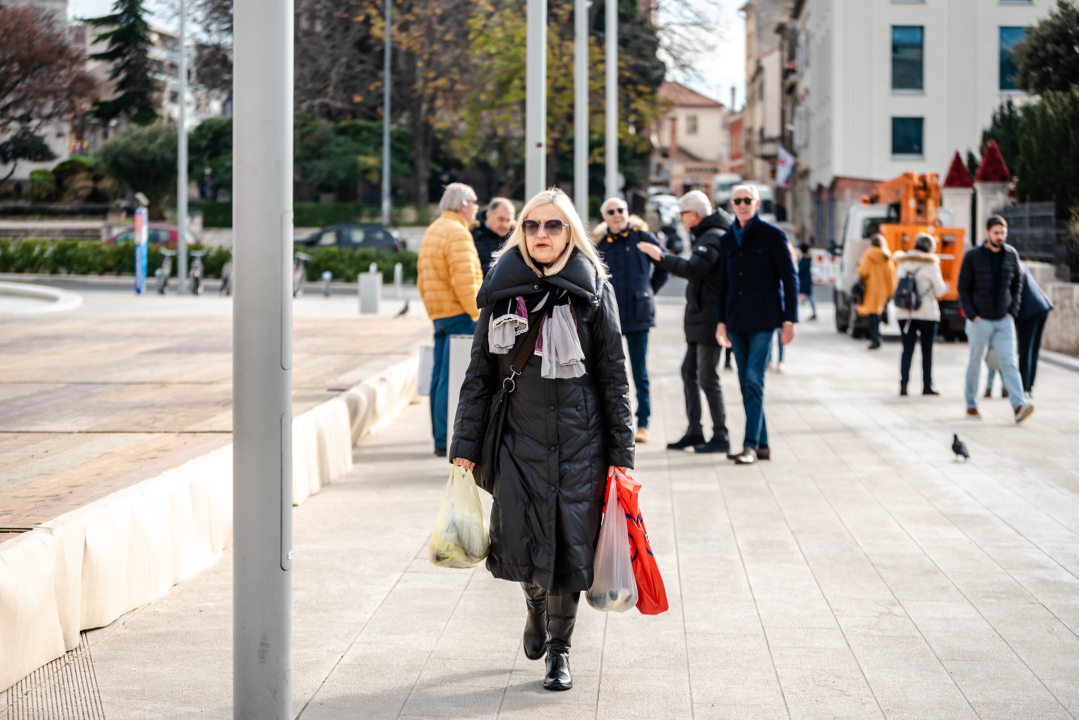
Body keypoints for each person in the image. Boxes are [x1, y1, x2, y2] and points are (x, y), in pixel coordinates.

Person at [450, 187, 634, 693]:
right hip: (517, 440)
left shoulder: (595, 290)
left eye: (553, 226)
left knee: (570, 548)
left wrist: (621, 455)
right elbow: (480, 377)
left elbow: (614, 377)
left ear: (570, 232)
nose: (541, 235)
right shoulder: (500, 290)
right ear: (520, 233)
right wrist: (464, 449)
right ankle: (534, 607)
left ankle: (560, 649)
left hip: (581, 445)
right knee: (524, 541)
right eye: (531, 225)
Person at [636, 190, 732, 454]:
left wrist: (661, 256)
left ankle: (720, 435)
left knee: (706, 376)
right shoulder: (706, 234)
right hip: (700, 319)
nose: (679, 218)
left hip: (710, 319)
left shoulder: (712, 237)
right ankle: (695, 431)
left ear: (695, 214)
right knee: (689, 373)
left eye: (682, 213)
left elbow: (692, 270)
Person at [715, 184, 798, 465]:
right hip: (736, 321)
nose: (742, 204)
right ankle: (763, 445)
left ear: (757, 203)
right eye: (737, 200)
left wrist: (789, 320)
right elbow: (723, 285)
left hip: (764, 320)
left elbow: (790, 278)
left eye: (747, 200)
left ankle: (749, 445)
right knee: (745, 384)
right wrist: (721, 322)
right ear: (732, 205)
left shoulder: (773, 235)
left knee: (753, 379)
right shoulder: (727, 239)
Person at [592, 196, 669, 443]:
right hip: (609, 316)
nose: (617, 214)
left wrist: (647, 291)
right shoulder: (601, 244)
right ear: (605, 218)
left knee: (639, 371)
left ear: (627, 212)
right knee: (609, 370)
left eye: (620, 210)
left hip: (639, 314)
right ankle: (610, 423)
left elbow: (664, 264)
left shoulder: (643, 238)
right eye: (611, 211)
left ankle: (643, 423)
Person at [417, 183, 483, 456]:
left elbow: (422, 278)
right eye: (475, 201)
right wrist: (478, 313)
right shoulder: (457, 232)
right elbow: (465, 280)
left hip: (440, 314)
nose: (478, 207)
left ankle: (440, 437)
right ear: (464, 203)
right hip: (461, 314)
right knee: (455, 379)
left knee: (438, 378)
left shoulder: (434, 228)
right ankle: (447, 439)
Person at [958, 215, 1033, 422]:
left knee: (1009, 362)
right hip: (979, 320)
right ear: (987, 233)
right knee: (975, 362)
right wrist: (973, 315)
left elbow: (1017, 286)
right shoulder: (973, 256)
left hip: (1004, 320)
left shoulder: (1011, 255)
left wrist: (1012, 312)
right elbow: (963, 287)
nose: (1000, 237)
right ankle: (971, 404)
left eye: (1003, 233)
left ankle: (1018, 405)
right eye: (997, 233)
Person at [893, 233, 948, 396]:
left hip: (905, 313)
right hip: (927, 313)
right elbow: (939, 291)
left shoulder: (902, 262)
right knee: (927, 351)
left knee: (907, 349)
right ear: (930, 248)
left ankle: (903, 386)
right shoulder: (932, 265)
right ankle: (926, 386)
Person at [1016, 263, 1053, 397]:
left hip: (1029, 311)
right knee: (1033, 349)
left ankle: (1024, 387)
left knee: (1025, 350)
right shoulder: (1020, 265)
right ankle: (1029, 387)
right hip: (1042, 306)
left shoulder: (1011, 265)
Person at [857, 234, 896, 350]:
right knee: (877, 313)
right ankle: (877, 337)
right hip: (883, 290)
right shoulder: (886, 255)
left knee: (872, 314)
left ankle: (875, 338)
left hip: (871, 288)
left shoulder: (868, 254)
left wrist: (858, 268)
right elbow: (891, 276)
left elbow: (863, 271)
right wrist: (890, 292)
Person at [471, 197, 515, 277]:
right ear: (488, 215)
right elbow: (469, 271)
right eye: (500, 219)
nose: (504, 225)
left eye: (508, 220)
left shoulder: (516, 238)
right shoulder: (472, 237)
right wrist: (499, 266)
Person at [798, 243, 818, 320]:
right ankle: (814, 313)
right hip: (806, 279)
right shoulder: (807, 258)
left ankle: (814, 313)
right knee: (809, 296)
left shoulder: (804, 259)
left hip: (804, 280)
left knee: (809, 296)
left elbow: (801, 271)